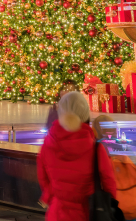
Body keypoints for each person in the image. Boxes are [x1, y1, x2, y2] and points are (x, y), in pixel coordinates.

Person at [37, 92, 116, 220]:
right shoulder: (96, 148)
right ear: (85, 115)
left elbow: (43, 177)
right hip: (87, 213)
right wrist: (108, 206)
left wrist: (53, 197)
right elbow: (109, 182)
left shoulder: (48, 144)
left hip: (57, 213)